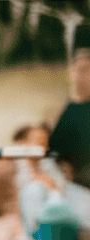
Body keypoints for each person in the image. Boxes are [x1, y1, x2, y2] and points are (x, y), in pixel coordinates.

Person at [50, 49, 90, 189]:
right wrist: (62, 164)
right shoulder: (71, 110)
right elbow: (55, 150)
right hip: (78, 182)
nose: (79, 77)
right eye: (76, 71)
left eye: (85, 70)